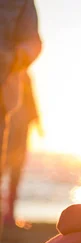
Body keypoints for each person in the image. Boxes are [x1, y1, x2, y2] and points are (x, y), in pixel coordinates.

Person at [0, 0, 41, 238]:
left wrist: (11, 58)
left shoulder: (26, 79)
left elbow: (32, 43)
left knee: (12, 169)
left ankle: (8, 215)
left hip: (9, 109)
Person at [3, 71, 40, 227]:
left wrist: (38, 122)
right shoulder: (12, 73)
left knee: (15, 175)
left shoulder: (24, 75)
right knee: (11, 174)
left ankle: (9, 215)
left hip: (20, 131)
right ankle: (9, 216)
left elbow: (32, 101)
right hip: (11, 131)